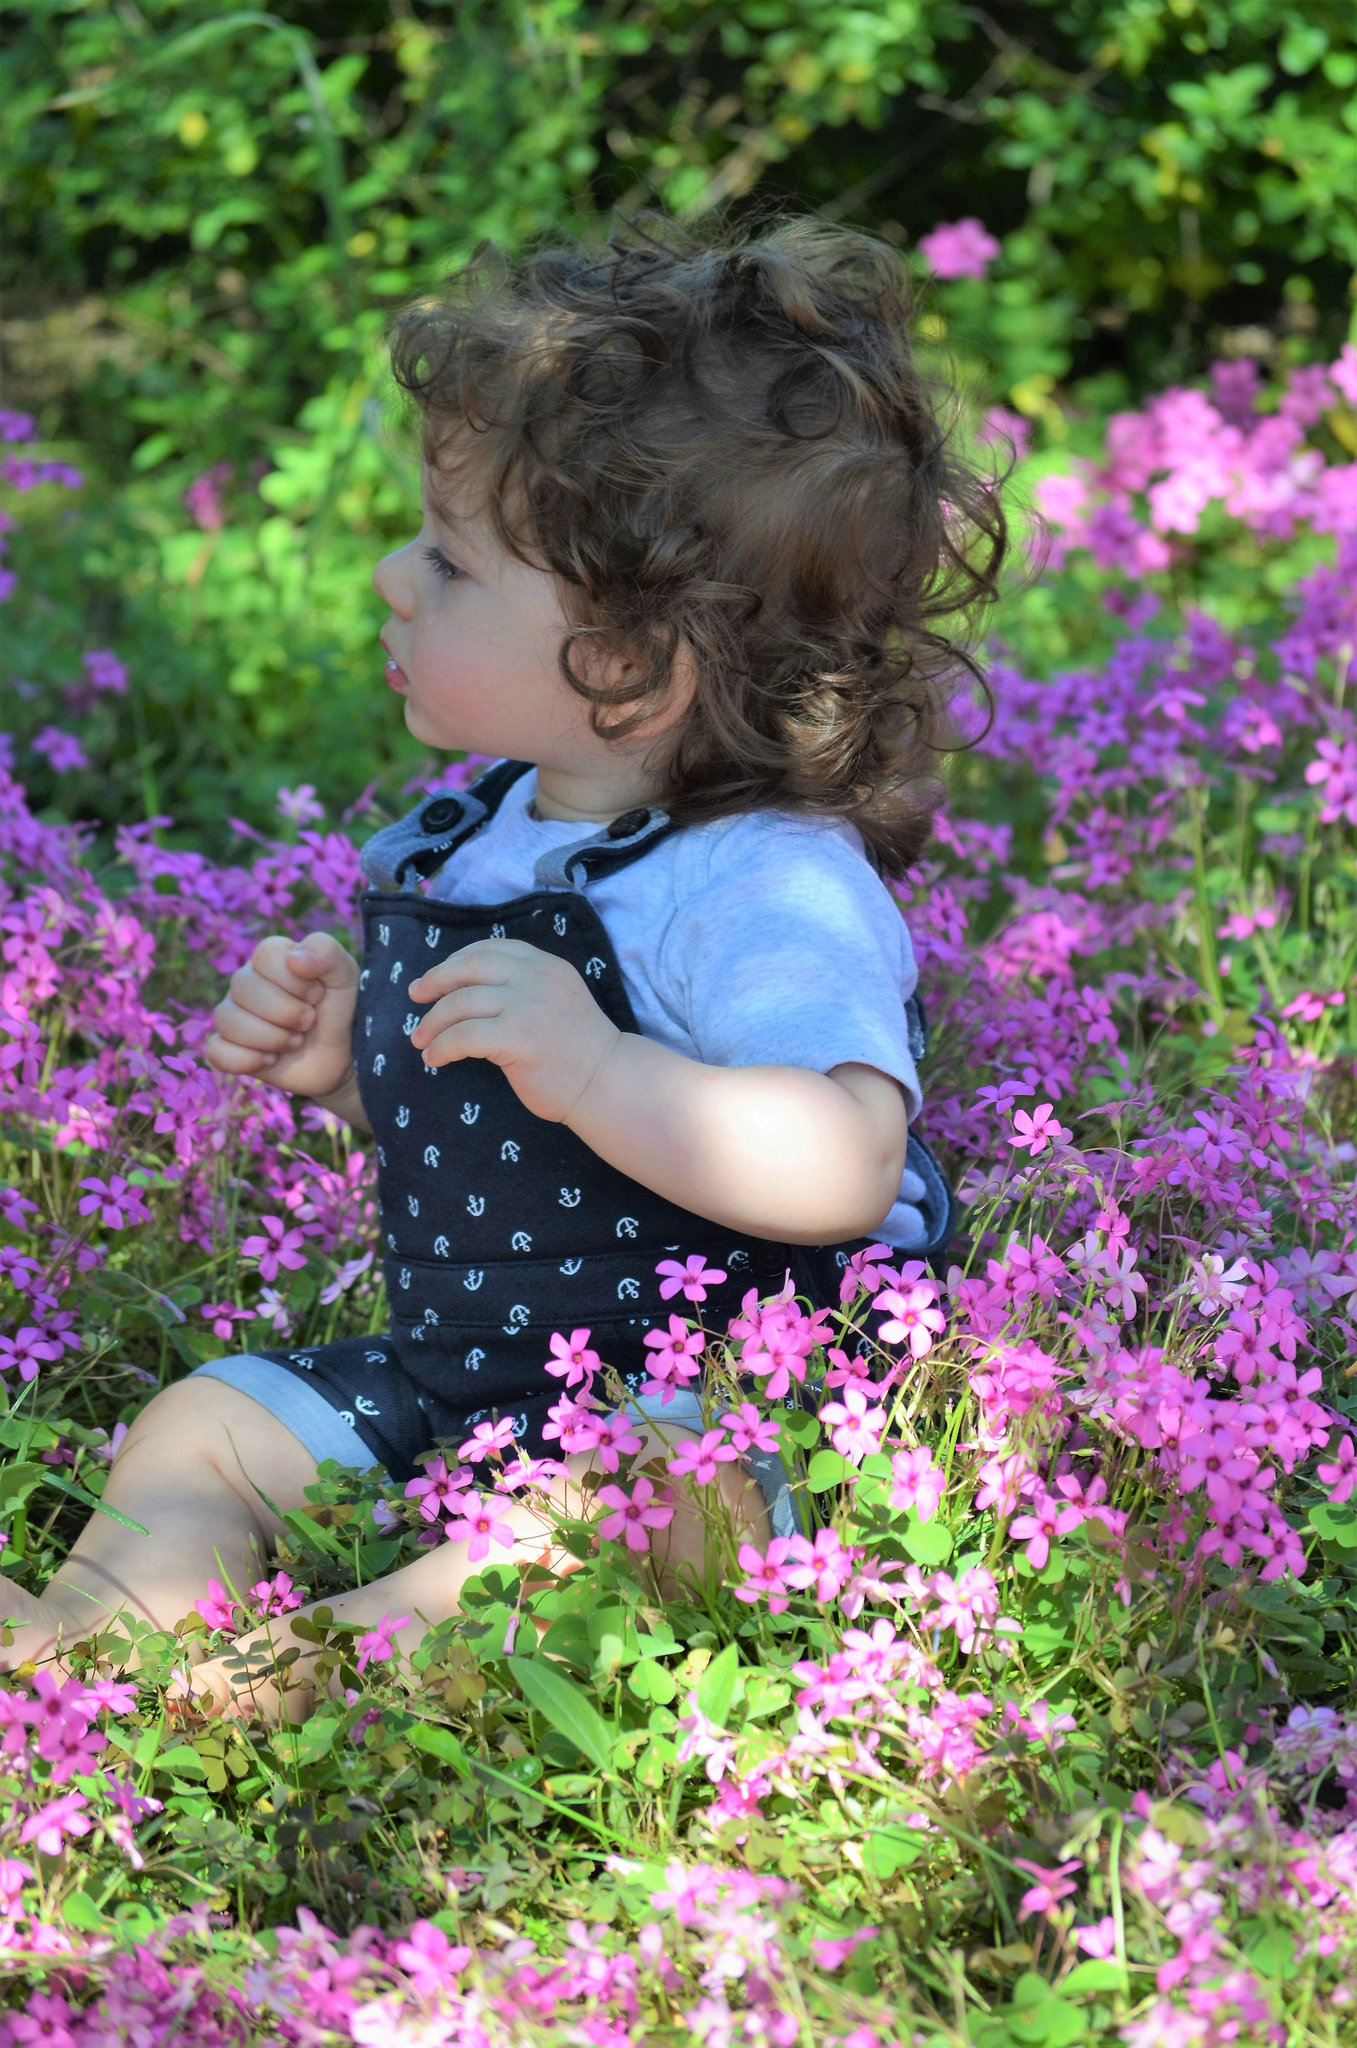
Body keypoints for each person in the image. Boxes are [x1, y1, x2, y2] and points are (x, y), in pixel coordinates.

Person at [1, 215, 1004, 1715]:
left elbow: (848, 1162)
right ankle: (97, 1625)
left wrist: (600, 1068)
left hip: (709, 1398)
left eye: (451, 562)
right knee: (207, 1425)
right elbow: (504, 1155)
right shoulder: (478, 830)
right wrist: (355, 1074)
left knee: (623, 1522)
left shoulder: (766, 881)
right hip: (476, 1374)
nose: (396, 579)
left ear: (637, 666)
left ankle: (329, 1666)